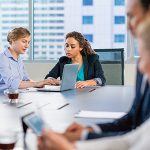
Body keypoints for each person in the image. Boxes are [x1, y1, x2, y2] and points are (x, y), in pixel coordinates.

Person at [37, 13, 150, 150]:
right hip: (69, 99)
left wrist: (87, 82)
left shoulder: (92, 59)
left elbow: (101, 79)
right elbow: (49, 76)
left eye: (72, 46)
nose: (68, 49)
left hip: (90, 96)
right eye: (66, 45)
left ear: (80, 47)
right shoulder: (63, 61)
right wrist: (54, 81)